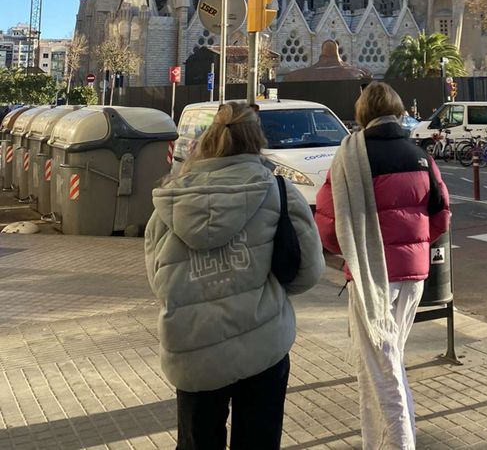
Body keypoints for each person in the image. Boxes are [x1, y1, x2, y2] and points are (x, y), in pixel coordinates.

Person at [144, 101, 325, 450]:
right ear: (256, 140)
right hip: (263, 346)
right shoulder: (279, 191)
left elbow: (158, 277)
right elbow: (309, 270)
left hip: (193, 348)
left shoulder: (171, 197)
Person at [315, 81, 450, 450]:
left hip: (370, 275)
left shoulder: (349, 156)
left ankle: (399, 443)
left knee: (382, 370)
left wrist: (350, 252)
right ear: (399, 111)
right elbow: (440, 215)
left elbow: (328, 223)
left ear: (362, 114)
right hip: (413, 276)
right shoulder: (419, 155)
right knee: (380, 363)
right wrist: (416, 249)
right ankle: (374, 442)